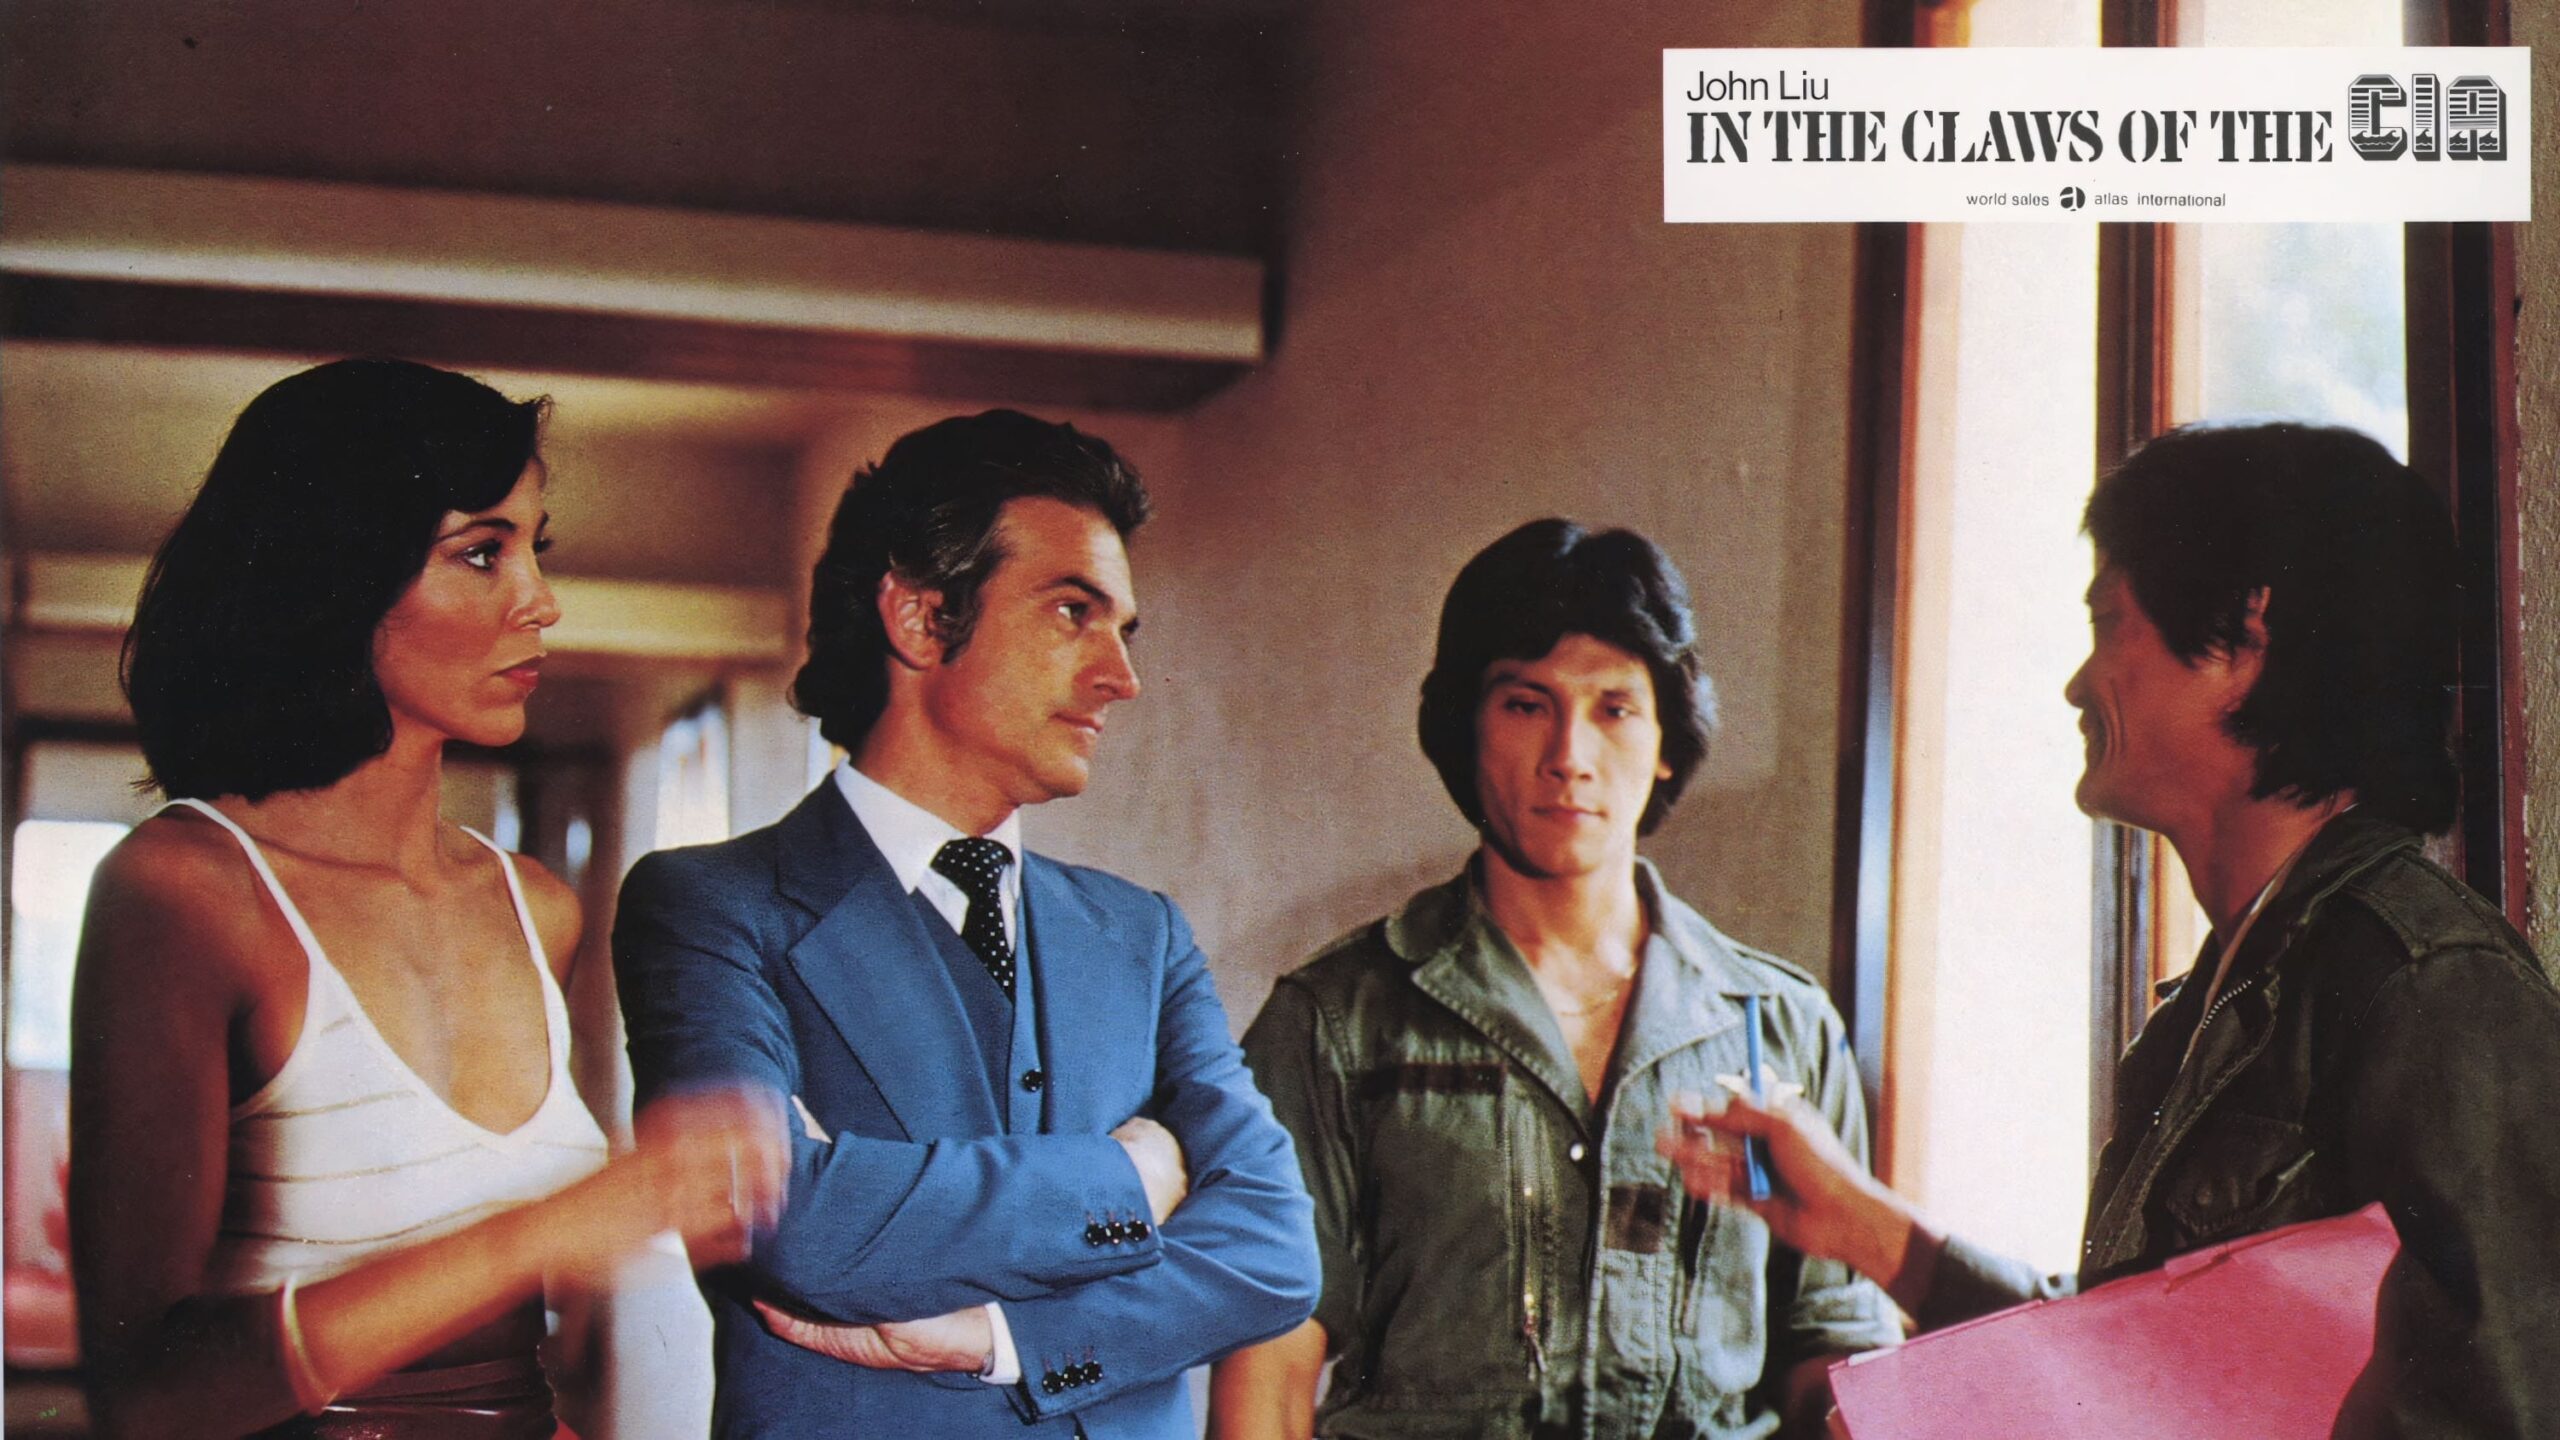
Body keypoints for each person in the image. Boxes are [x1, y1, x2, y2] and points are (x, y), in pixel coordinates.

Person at [1661, 423, 2560, 1438]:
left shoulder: (2430, 985)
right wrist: (1865, 1229)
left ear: (2244, 632)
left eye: (2107, 623)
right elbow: (2137, 1367)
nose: (2078, 684)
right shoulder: (2220, 995)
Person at [70, 358, 787, 1440]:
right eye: (481, 553)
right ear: (335, 574)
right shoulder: (186, 890)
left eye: (534, 550)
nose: (541, 602)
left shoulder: (536, 908)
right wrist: (548, 1229)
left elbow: (500, 1374)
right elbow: (146, 1398)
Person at [612, 408, 1319, 1437]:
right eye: (1073, 612)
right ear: (918, 617)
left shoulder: (1143, 935)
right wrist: (1134, 1176)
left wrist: (1003, 1339)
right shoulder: (712, 905)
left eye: (1123, 630)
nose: (1122, 677)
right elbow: (775, 1219)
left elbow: (1276, 1255)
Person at [1208, 520, 1899, 1440]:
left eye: (1614, 709)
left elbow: (1836, 1342)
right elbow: (1270, 1365)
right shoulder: (1334, 1022)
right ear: (1467, 727)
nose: (1569, 755)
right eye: (1526, 705)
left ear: (1666, 740)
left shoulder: (1779, 1025)